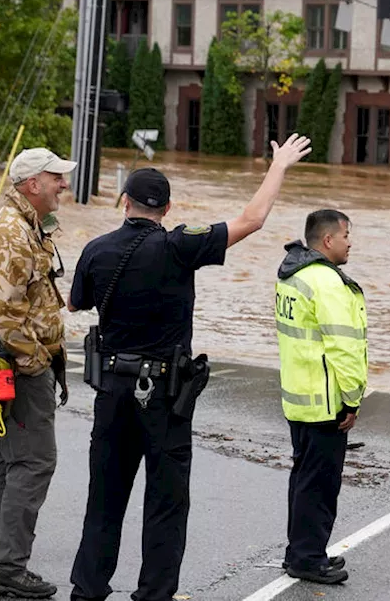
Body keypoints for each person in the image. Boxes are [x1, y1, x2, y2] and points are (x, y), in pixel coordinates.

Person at [65, 134, 312, 601]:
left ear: (124, 202)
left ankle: (88, 591)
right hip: (163, 395)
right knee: (165, 503)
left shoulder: (96, 250)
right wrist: (277, 165)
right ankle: (154, 595)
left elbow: (76, 305)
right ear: (168, 207)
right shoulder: (181, 247)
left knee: (105, 499)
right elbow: (252, 220)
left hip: (113, 389)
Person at [0, 147, 77, 599]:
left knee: (10, 462)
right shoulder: (13, 233)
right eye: (57, 178)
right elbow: (1, 315)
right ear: (33, 184)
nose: (64, 185)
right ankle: (6, 567)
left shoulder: (24, 225)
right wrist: (37, 365)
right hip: (19, 366)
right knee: (33, 464)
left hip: (14, 364)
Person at [275, 209, 367, 585]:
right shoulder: (327, 283)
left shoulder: (291, 275)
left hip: (299, 398)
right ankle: (308, 559)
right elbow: (344, 347)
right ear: (328, 240)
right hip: (326, 403)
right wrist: (352, 400)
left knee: (303, 479)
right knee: (319, 485)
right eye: (346, 235)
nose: (350, 242)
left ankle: (298, 550)